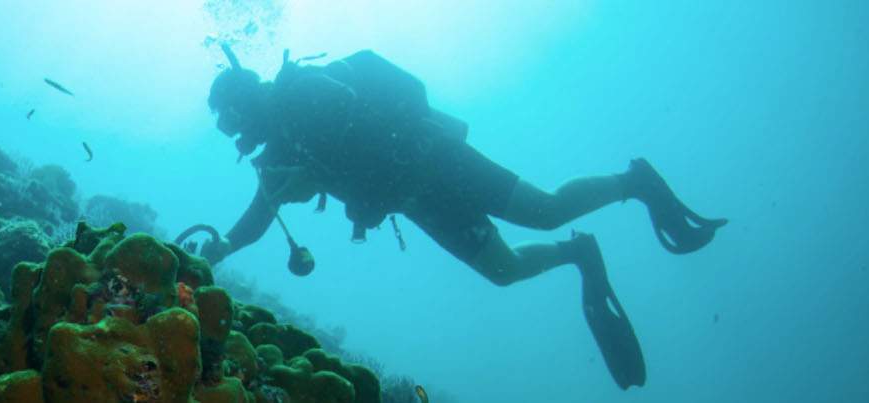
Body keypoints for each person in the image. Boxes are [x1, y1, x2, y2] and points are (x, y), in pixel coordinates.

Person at [196, 45, 726, 390]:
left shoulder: (306, 93)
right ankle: (577, 253)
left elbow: (367, 136)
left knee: (545, 209)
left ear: (246, 103)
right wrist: (224, 244)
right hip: (420, 203)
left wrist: (317, 177)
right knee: (505, 272)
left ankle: (634, 182)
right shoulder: (278, 152)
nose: (236, 135)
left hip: (438, 163)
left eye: (231, 120)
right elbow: (261, 212)